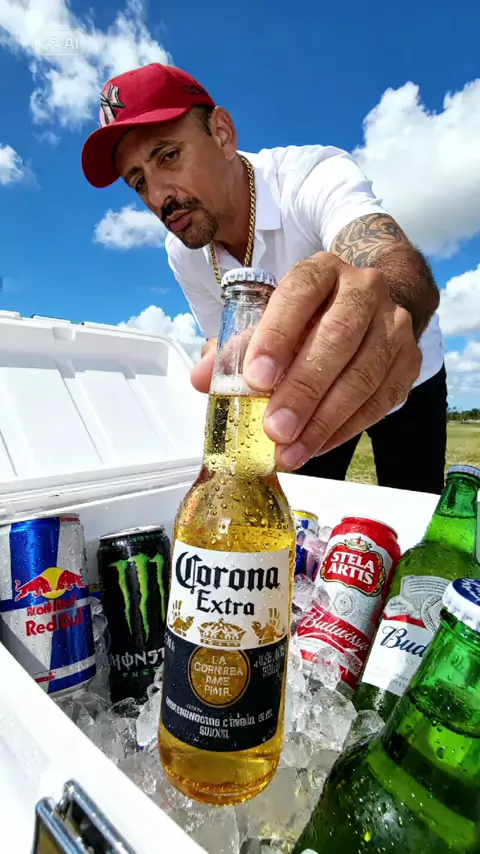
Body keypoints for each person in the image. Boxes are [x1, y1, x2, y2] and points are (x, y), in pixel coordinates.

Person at [81, 63, 447, 494]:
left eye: (168, 156)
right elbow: (218, 337)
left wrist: (389, 299)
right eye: (139, 181)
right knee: (296, 506)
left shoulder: (309, 175)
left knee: (414, 505)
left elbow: (386, 254)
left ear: (222, 133)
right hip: (300, 392)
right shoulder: (183, 251)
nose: (160, 196)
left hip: (408, 372)